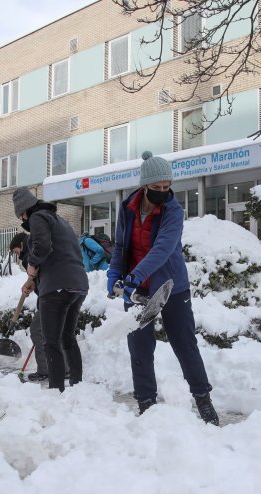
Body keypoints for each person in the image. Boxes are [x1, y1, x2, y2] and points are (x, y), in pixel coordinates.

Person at [107, 151, 219, 425]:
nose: (162, 192)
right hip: (136, 290)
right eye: (156, 188)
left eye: (166, 187)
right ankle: (146, 404)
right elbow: (121, 245)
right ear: (145, 186)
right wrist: (114, 273)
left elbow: (162, 249)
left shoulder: (173, 211)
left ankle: (203, 400)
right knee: (140, 348)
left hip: (171, 286)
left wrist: (135, 275)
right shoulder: (128, 208)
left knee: (184, 344)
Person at [12, 187, 88, 392]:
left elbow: (43, 248)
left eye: (20, 215)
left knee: (50, 341)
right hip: (77, 284)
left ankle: (56, 391)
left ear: (24, 211)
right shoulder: (59, 220)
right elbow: (60, 256)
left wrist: (31, 266)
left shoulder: (38, 218)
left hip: (57, 287)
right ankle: (77, 387)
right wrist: (33, 281)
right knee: (67, 338)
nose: (23, 219)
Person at [9, 232, 49, 381]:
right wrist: (30, 284)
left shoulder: (28, 255)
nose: (17, 255)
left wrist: (31, 284)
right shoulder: (39, 248)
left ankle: (45, 370)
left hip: (49, 296)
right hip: (57, 292)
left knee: (37, 330)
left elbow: (36, 274)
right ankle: (63, 369)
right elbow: (37, 275)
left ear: (21, 245)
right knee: (55, 332)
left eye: (15, 251)